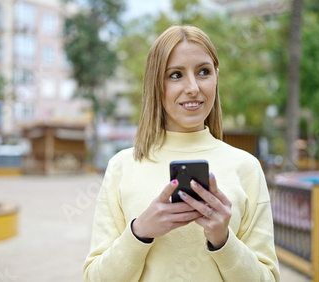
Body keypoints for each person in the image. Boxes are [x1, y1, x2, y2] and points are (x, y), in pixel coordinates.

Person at [83, 25, 280, 281]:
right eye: (175, 75)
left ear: (216, 77)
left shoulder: (247, 167)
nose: (193, 87)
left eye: (203, 72)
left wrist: (223, 240)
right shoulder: (123, 166)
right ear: (156, 83)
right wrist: (140, 232)